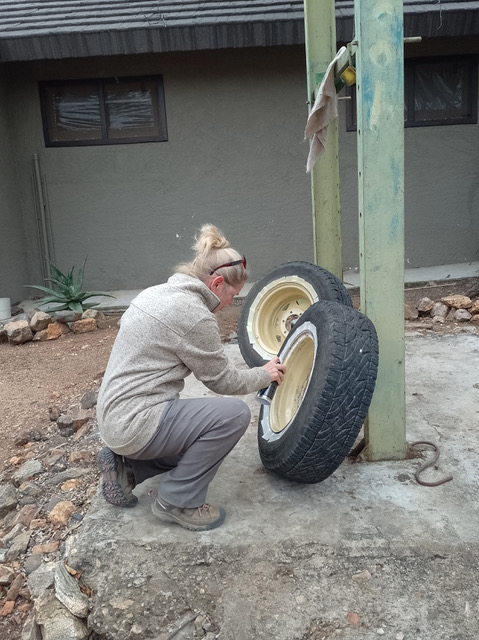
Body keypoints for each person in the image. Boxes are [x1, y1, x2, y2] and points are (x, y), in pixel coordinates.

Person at [96, 224, 286, 531]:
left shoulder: (155, 293)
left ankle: (129, 467)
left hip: (113, 418)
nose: (229, 304)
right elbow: (222, 381)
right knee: (232, 417)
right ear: (217, 282)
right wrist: (263, 375)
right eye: (232, 295)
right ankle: (177, 501)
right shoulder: (194, 314)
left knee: (196, 439)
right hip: (135, 424)